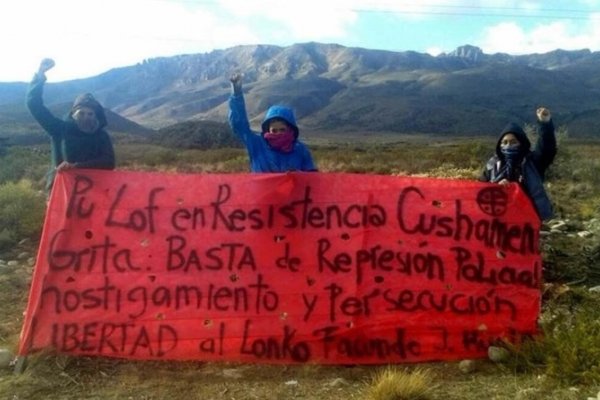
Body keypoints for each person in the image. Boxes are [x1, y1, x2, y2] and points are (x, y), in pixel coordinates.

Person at [26, 58, 116, 193]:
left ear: (96, 116)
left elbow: (109, 162)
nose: (86, 117)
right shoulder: (59, 129)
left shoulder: (102, 136)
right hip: (61, 192)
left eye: (90, 114)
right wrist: (39, 76)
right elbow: (35, 106)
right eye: (82, 113)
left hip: (93, 192)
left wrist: (76, 166)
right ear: (74, 113)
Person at [228, 73, 317, 172]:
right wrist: (236, 94)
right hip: (262, 188)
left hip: (293, 188)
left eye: (282, 130)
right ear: (267, 130)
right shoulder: (257, 144)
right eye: (274, 131)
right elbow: (239, 125)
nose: (278, 133)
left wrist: (298, 175)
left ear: (290, 129)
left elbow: (312, 179)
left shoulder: (300, 150)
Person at [480, 107, 557, 220]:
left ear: (522, 143)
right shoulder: (493, 165)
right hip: (498, 216)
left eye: (513, 142)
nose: (508, 146)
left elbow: (547, 149)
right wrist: (495, 186)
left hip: (528, 217)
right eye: (504, 142)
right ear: (499, 145)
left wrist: (545, 124)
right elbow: (481, 188)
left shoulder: (533, 162)